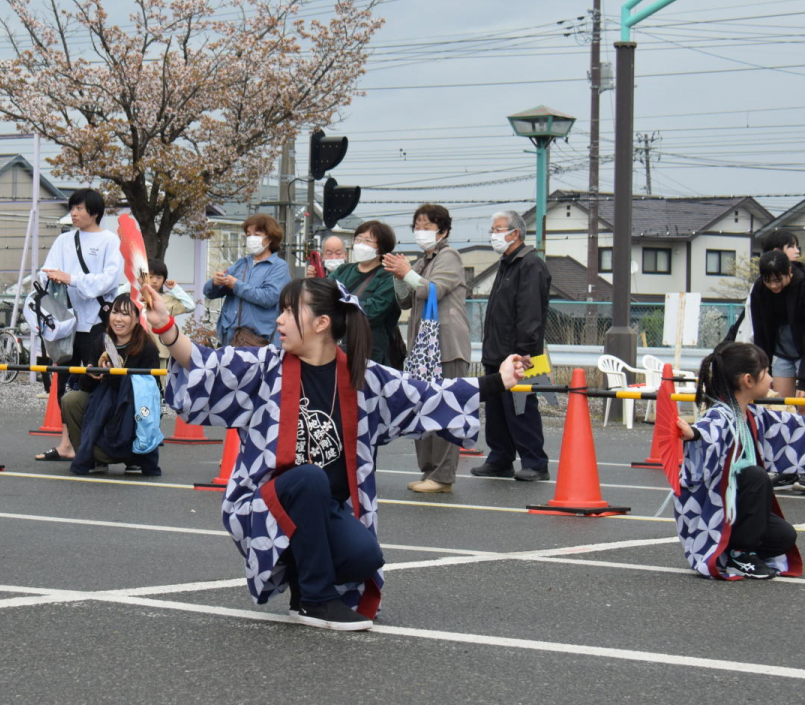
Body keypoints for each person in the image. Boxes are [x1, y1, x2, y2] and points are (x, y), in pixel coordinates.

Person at [147, 276, 524, 631]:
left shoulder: (364, 378)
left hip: (323, 509)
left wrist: (499, 380)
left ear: (321, 323)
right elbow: (205, 363)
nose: (279, 320)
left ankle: (302, 588)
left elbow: (428, 397)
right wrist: (166, 327)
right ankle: (316, 600)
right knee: (309, 478)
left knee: (364, 557)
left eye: (289, 311)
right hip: (263, 506)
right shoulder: (265, 368)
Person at [674, 341, 805, 579]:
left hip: (735, 506)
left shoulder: (750, 413)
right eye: (766, 373)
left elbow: (781, 425)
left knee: (784, 537)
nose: (772, 380)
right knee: (756, 476)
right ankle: (740, 554)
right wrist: (693, 434)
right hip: (714, 507)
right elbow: (707, 431)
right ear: (748, 380)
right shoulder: (720, 414)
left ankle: (733, 550)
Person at [384, 204, 472, 493]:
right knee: (424, 409)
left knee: (446, 409)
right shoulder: (422, 261)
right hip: (424, 349)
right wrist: (398, 275)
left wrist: (407, 272)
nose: (420, 232)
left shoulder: (450, 256)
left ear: (443, 231)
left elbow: (432, 289)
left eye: (427, 226)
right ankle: (429, 472)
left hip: (446, 346)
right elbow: (405, 300)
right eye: (417, 226)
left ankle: (443, 476)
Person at [38, 188, 124, 454]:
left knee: (93, 380)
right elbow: (45, 272)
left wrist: (72, 279)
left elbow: (110, 280)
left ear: (95, 212)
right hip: (65, 323)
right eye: (72, 208)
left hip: (96, 322)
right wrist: (48, 278)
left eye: (79, 208)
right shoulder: (64, 240)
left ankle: (91, 441)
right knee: (64, 380)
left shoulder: (109, 241)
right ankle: (66, 444)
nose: (74, 213)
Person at [38, 294, 162, 476]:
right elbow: (86, 386)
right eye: (115, 312)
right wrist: (92, 374)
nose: (118, 319)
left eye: (125, 314)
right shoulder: (102, 341)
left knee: (130, 409)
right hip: (101, 401)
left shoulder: (146, 348)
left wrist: (115, 374)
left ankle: (134, 457)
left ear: (137, 319)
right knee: (71, 400)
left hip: (131, 408)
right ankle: (92, 457)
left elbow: (150, 393)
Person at [471, 210, 552, 482]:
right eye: (493, 230)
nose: (493, 235)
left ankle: (535, 462)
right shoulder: (507, 263)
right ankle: (500, 459)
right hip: (496, 352)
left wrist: (524, 351)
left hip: (520, 354)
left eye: (498, 229)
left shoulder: (530, 264)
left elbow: (530, 313)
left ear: (515, 233)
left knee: (521, 408)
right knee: (496, 411)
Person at [748, 250, 805, 495]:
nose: (774, 286)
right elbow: (761, 330)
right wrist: (762, 367)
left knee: (804, 407)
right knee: (783, 409)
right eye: (768, 281)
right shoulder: (760, 291)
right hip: (782, 352)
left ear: (789, 272)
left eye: (778, 280)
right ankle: (787, 469)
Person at [317, 221, 404, 369]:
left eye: (367, 241)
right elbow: (322, 295)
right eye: (358, 239)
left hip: (371, 351)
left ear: (381, 248)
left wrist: (337, 307)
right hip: (338, 346)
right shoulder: (343, 270)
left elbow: (372, 312)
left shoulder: (388, 276)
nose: (360, 244)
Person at [204, 214, 290, 346]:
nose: (251, 239)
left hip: (260, 339)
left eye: (257, 234)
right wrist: (214, 283)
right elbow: (209, 293)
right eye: (249, 235)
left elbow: (269, 297)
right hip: (230, 336)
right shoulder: (241, 263)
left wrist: (236, 285)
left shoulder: (278, 266)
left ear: (270, 238)